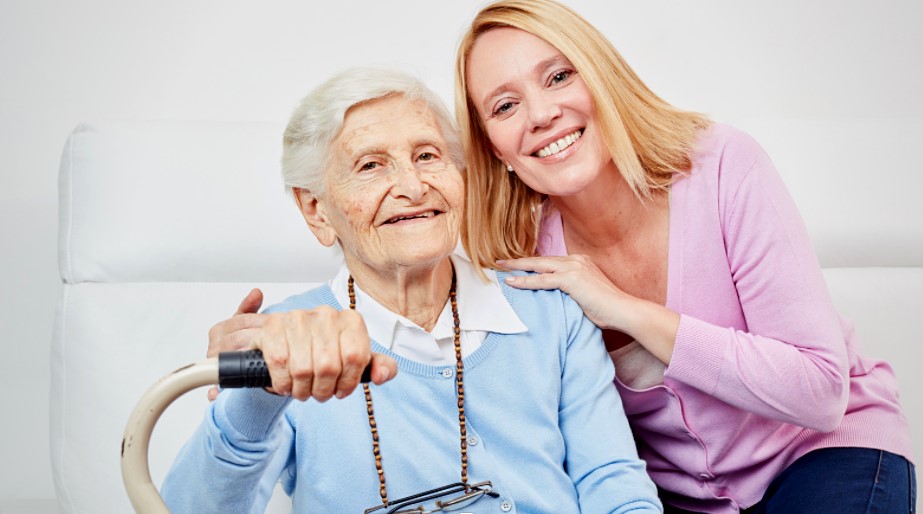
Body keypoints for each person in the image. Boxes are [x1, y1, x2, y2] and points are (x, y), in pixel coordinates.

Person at [453, 1, 915, 513]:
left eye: (559, 77)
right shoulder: (521, 257)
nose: (541, 115)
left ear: (602, 77)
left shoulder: (721, 167)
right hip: (674, 498)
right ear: (494, 149)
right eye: (505, 106)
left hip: (822, 452)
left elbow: (821, 393)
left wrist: (626, 310)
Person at [163, 67, 662, 513]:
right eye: (370, 166)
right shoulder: (291, 341)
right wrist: (256, 397)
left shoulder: (549, 309)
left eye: (427, 155)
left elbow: (613, 484)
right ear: (317, 211)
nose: (414, 186)